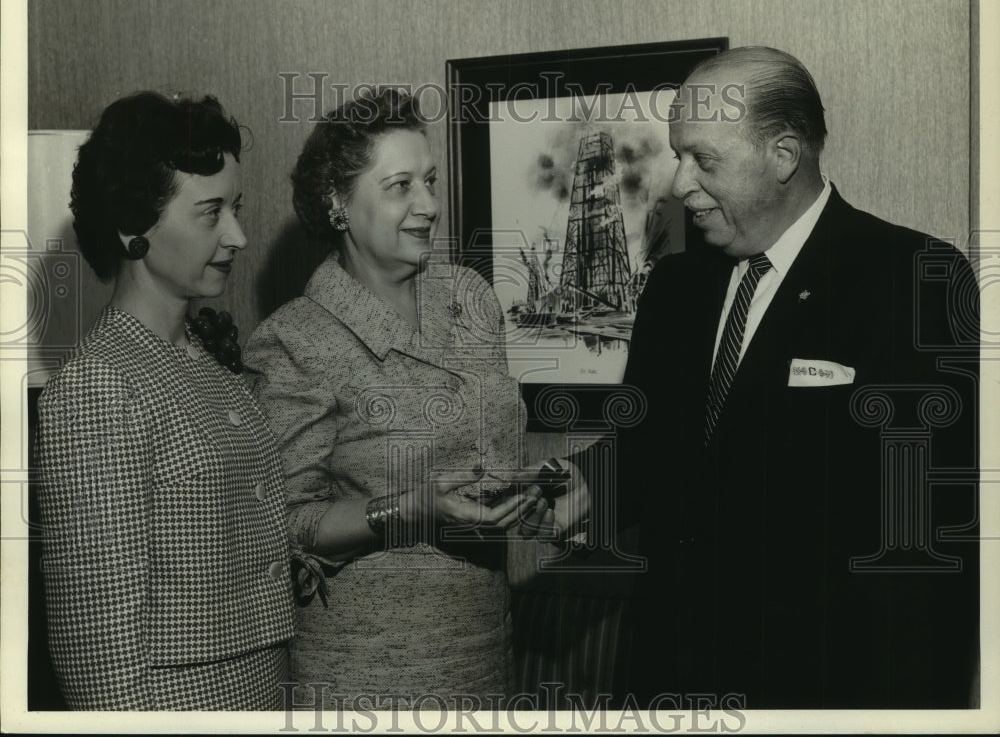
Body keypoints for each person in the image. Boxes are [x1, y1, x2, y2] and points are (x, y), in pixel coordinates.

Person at [601, 46, 979, 708]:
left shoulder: (913, 278)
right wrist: (568, 486)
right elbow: (650, 455)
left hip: (828, 688)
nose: (679, 184)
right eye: (677, 155)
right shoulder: (675, 285)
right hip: (674, 681)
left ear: (783, 154)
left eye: (704, 160)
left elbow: (931, 548)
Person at [243, 88, 588, 710]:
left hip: (484, 650)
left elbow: (490, 452)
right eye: (400, 185)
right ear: (337, 203)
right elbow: (285, 525)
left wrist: (532, 490)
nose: (430, 205)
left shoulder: (470, 297)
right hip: (367, 677)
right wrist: (411, 508)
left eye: (429, 180)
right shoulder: (295, 340)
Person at [35, 92, 295, 710]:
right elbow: (98, 662)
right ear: (133, 229)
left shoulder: (209, 362)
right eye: (210, 214)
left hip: (265, 694)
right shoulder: (97, 388)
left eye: (236, 207)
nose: (238, 235)